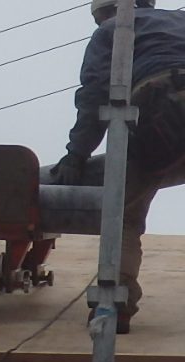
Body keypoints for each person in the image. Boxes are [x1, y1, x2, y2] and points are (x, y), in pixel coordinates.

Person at [50, 0, 185, 334]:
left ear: (104, 13)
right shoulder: (179, 21)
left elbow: (95, 94)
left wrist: (76, 154)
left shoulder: (113, 31)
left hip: (159, 111)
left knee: (124, 212)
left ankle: (116, 304)